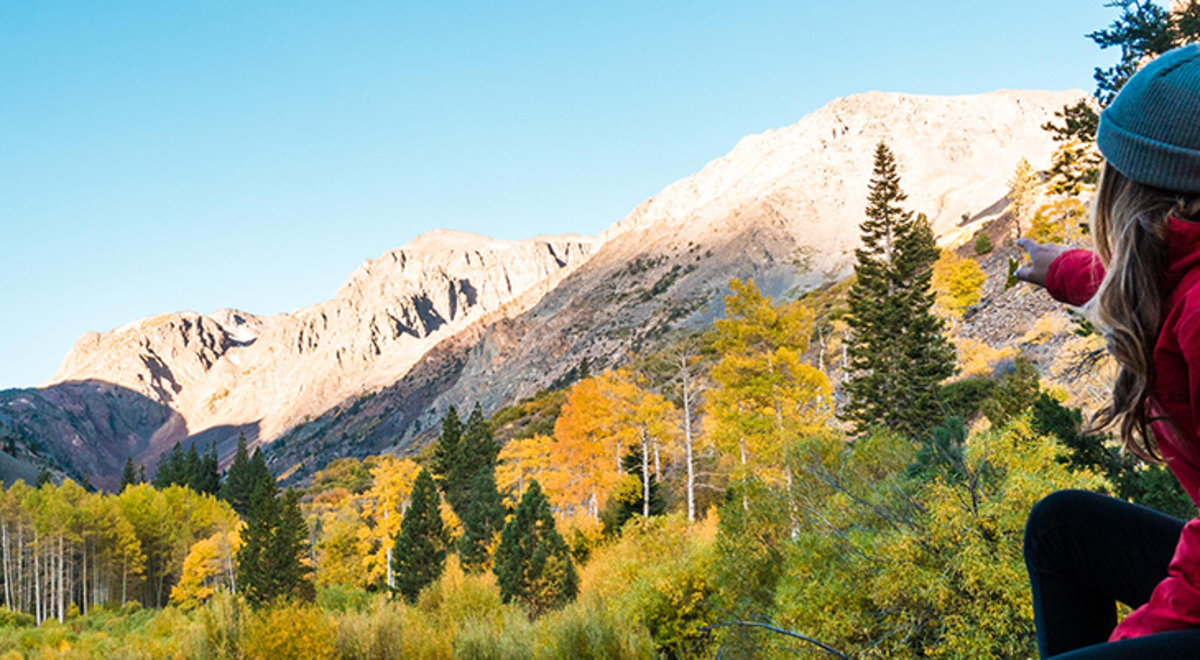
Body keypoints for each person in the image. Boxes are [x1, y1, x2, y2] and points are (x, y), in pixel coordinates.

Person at [1018, 44, 1200, 658]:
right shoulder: (1182, 270)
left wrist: (1135, 637)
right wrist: (1060, 270)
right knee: (1062, 528)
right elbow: (1150, 277)